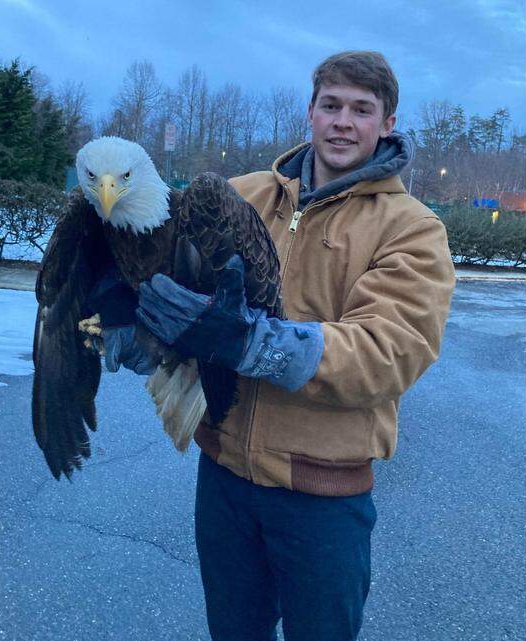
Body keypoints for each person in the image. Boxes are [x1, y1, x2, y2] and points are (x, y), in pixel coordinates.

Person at [98, 50, 455, 641]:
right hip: (225, 481)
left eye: (362, 110)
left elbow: (389, 350)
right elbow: (176, 284)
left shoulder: (411, 227)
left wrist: (251, 344)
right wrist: (143, 334)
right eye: (331, 105)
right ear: (310, 113)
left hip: (322, 499)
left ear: (387, 124)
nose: (343, 121)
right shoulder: (243, 194)